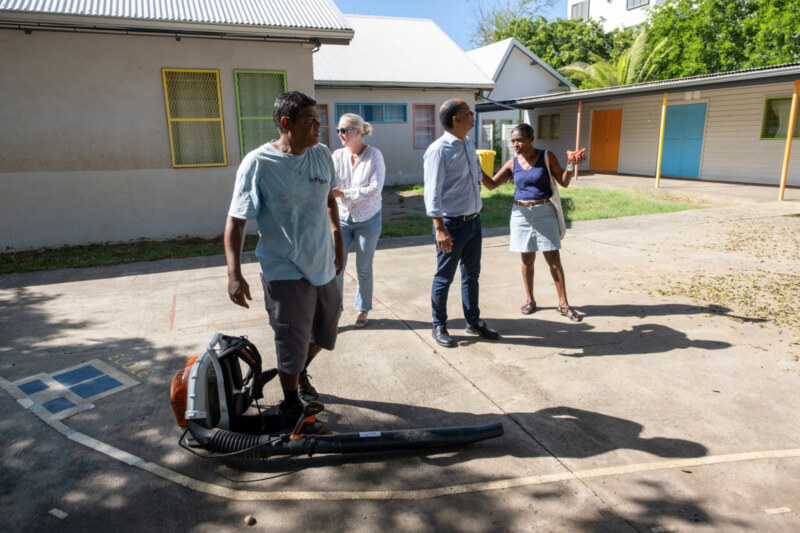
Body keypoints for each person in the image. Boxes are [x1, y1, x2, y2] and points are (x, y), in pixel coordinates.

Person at [224, 91, 344, 424]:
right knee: (291, 336)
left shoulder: (322, 155)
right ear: (285, 124)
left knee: (326, 331)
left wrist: (337, 239)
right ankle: (291, 400)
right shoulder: (259, 163)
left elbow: (329, 199)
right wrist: (234, 274)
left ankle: (296, 371)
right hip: (284, 268)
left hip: (322, 264)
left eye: (318, 118)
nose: (319, 125)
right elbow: (236, 220)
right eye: (310, 120)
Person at [481, 123, 584, 322]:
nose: (515, 145)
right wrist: (477, 170)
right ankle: (530, 300)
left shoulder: (547, 156)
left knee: (553, 258)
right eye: (513, 141)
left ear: (531, 139)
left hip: (545, 211)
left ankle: (563, 303)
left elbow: (564, 181)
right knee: (527, 259)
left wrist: (572, 163)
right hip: (520, 214)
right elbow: (492, 185)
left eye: (519, 140)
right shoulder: (513, 163)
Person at [423, 99, 499, 348]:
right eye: (468, 113)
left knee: (471, 276)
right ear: (455, 119)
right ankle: (439, 325)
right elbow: (431, 192)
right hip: (451, 226)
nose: (472, 116)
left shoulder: (467, 144)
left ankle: (473, 321)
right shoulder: (439, 150)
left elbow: (477, 176)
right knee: (444, 277)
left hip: (473, 223)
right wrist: (439, 229)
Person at [331, 113, 386, 329]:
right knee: (336, 266)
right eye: (338, 130)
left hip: (368, 218)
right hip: (342, 218)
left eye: (343, 130)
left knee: (364, 266)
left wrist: (342, 193)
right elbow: (329, 184)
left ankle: (363, 309)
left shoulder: (375, 156)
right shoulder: (336, 156)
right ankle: (334, 310)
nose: (340, 134)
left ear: (357, 132)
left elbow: (374, 190)